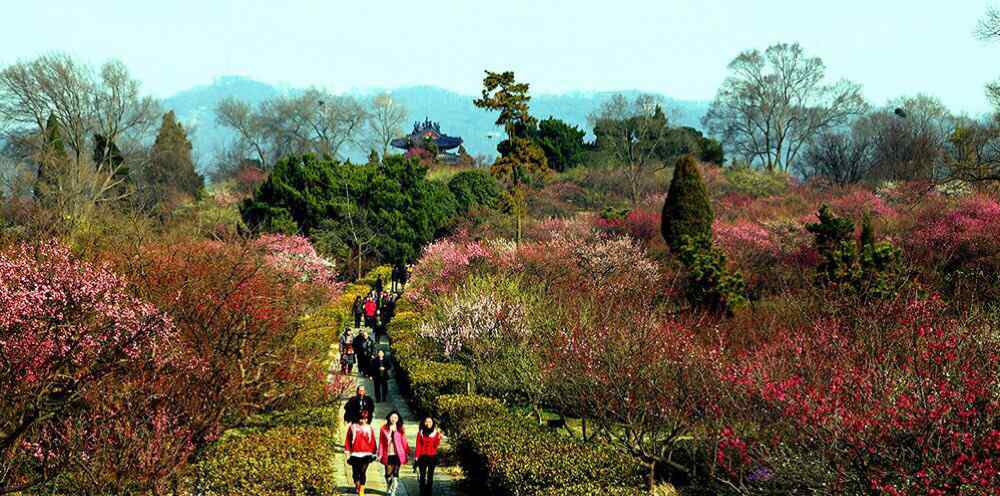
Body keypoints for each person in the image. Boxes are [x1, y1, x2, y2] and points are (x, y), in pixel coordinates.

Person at [377, 410, 409, 496]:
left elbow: (404, 440)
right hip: (388, 453)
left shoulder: (401, 428)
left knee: (395, 473)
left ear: (398, 419)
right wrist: (379, 454)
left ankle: (393, 491)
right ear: (389, 418)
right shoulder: (383, 428)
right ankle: (389, 486)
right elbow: (381, 442)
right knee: (388, 473)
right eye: (392, 417)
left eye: (395, 417)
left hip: (398, 454)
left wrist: (407, 451)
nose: (394, 419)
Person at [345, 410, 377, 496]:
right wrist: (347, 453)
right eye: (361, 419)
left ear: (367, 419)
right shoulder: (352, 427)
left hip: (366, 454)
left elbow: (373, 441)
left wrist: (374, 453)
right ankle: (357, 485)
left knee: (363, 472)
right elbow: (348, 441)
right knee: (355, 473)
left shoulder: (369, 428)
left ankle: (362, 490)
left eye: (365, 419)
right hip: (355, 454)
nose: (362, 420)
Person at [414, 416, 442, 496]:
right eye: (426, 421)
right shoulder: (420, 433)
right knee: (422, 477)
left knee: (430, 477)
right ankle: (422, 492)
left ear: (433, 423)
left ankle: (429, 492)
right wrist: (416, 457)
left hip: (432, 457)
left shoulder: (436, 433)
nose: (428, 423)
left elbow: (435, 446)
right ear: (423, 422)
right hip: (422, 457)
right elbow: (418, 445)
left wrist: (438, 438)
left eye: (430, 421)